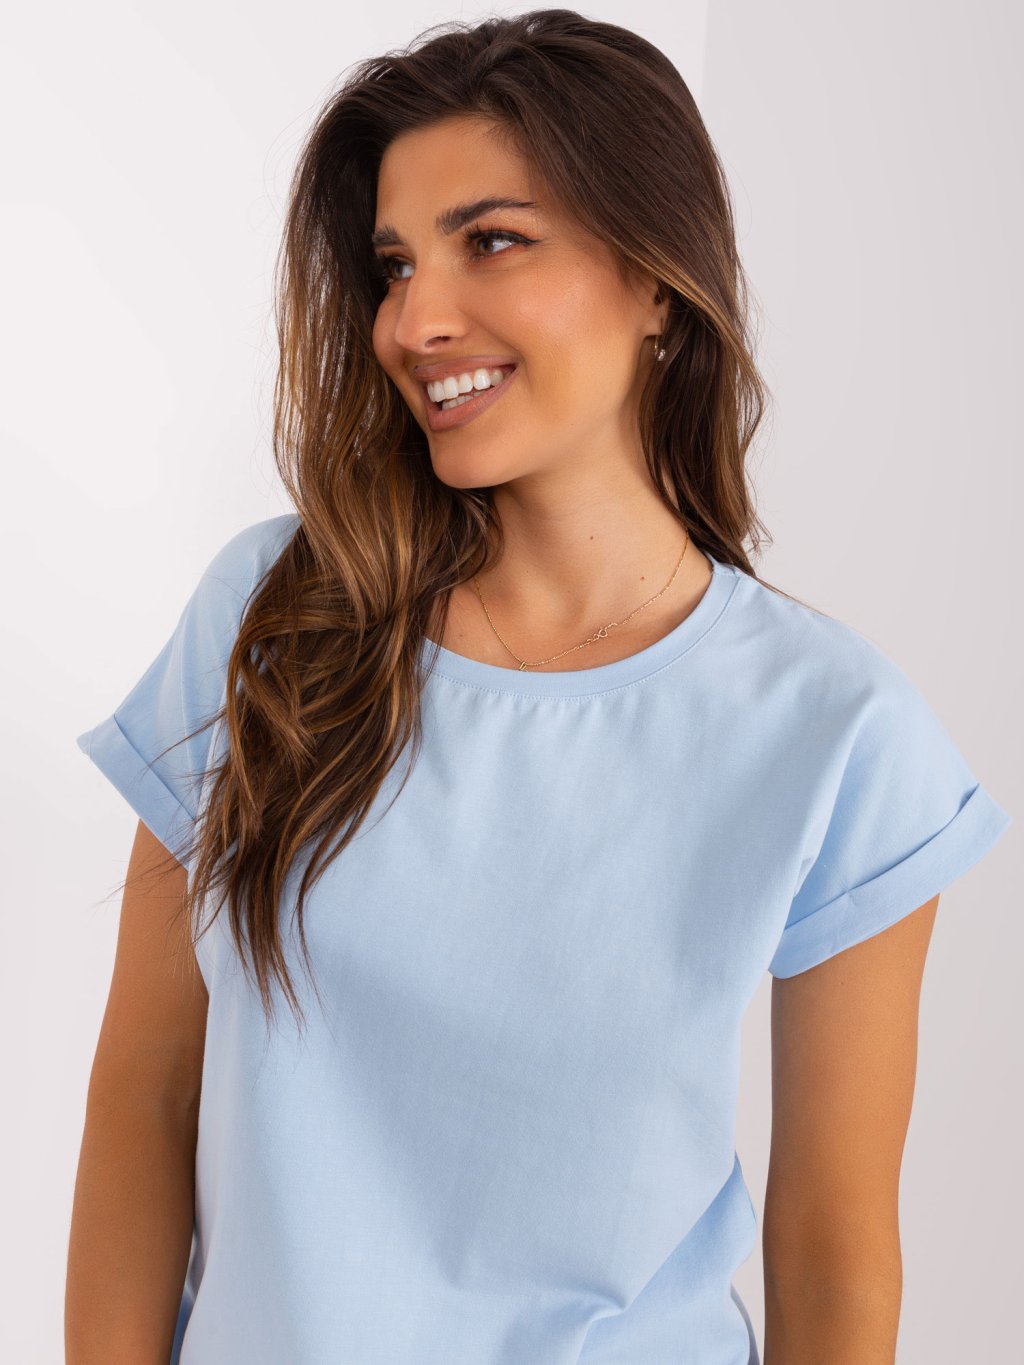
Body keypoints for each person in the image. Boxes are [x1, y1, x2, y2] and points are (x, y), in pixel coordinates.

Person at [65, 10, 1011, 1365]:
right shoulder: (273, 621)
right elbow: (143, 1098)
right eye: (395, 264)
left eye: (493, 241)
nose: (415, 320)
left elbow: (833, 1247)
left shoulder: (837, 732)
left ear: (657, 280)